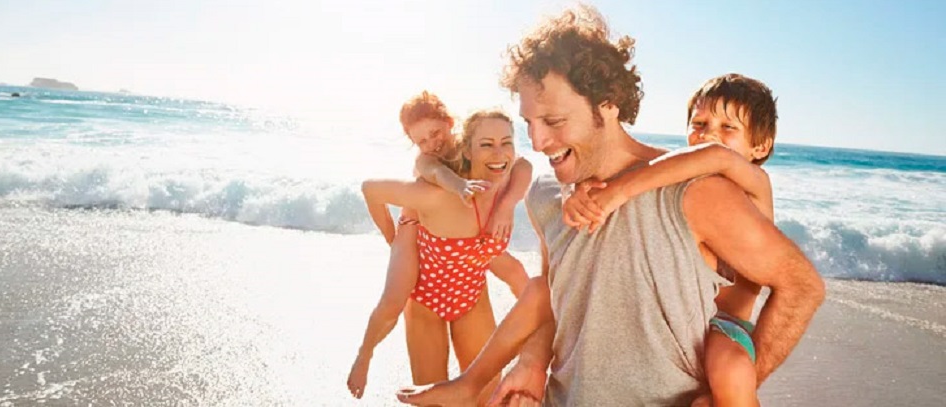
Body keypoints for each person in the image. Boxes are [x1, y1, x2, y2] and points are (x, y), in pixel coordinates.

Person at [397, 5, 824, 406]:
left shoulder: (697, 192)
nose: (538, 141)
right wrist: (532, 361)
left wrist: (730, 393)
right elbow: (552, 295)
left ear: (608, 103)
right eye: (529, 122)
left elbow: (801, 286)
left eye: (554, 121)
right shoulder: (544, 194)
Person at [562, 73, 780, 407]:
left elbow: (715, 156)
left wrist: (617, 193)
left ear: (760, 147)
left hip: (725, 327)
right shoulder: (686, 177)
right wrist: (577, 188)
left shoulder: (755, 182)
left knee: (731, 371)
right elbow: (643, 166)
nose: (709, 135)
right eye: (700, 124)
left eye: (728, 128)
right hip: (680, 325)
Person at [347, 107, 532, 402]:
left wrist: (543, 342)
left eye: (506, 143)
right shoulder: (434, 191)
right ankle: (364, 353)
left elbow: (524, 166)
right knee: (393, 302)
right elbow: (373, 188)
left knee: (487, 399)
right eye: (487, 144)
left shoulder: (505, 176)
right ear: (470, 149)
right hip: (426, 295)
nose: (499, 153)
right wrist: (394, 238)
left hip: (470, 293)